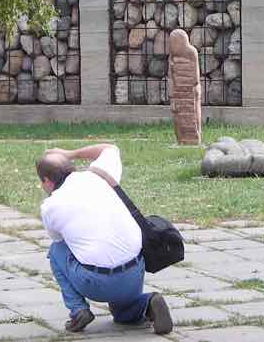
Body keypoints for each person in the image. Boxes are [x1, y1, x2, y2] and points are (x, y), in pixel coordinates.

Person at [36, 143, 172, 334]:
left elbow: (59, 240)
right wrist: (70, 153)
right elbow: (110, 148)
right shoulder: (99, 175)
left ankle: (78, 311)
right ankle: (148, 303)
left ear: (47, 182)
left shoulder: (51, 206)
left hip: (95, 283)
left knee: (56, 251)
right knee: (122, 313)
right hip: (134, 271)